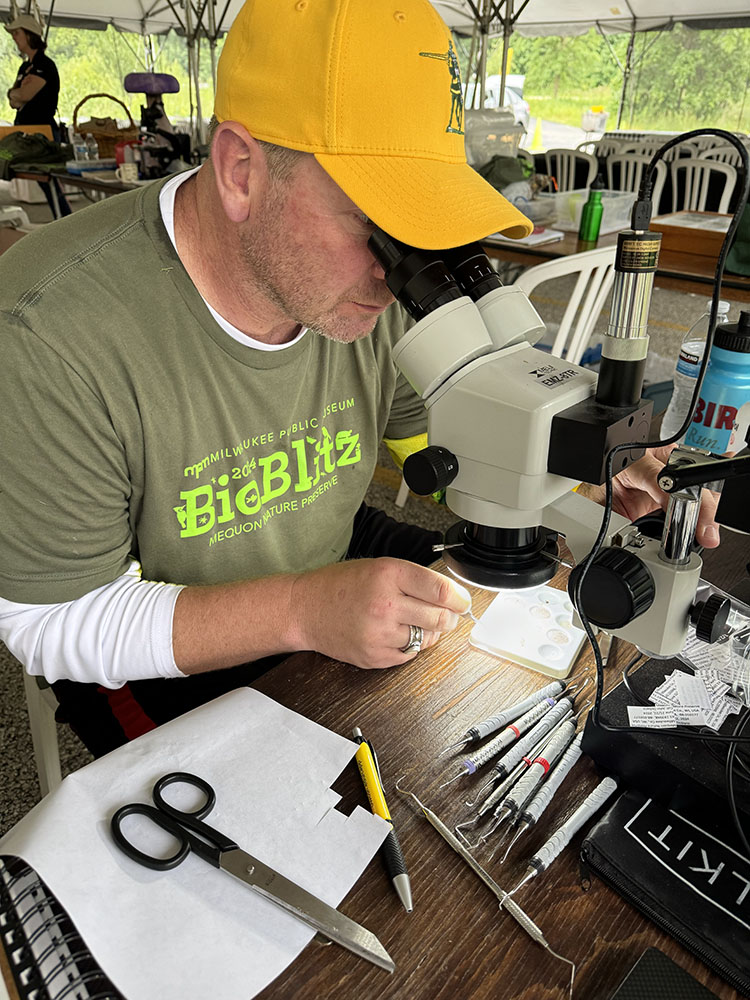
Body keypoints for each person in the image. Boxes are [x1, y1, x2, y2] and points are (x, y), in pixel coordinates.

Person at [0, 0, 720, 759]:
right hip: (145, 634)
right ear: (241, 171)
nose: (394, 269)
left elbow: (441, 459)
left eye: (422, 228)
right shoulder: (50, 331)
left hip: (324, 554)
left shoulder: (372, 299)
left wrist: (583, 468)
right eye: (377, 221)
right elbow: (51, 624)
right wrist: (302, 611)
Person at [4, 11, 71, 216]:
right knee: (46, 184)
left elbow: (23, 95)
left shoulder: (44, 65)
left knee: (50, 183)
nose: (14, 37)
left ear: (29, 34)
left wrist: (18, 93)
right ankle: (63, 219)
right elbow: (14, 100)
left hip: (42, 133)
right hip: (26, 131)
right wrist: (14, 93)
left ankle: (65, 219)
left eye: (17, 33)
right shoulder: (26, 66)